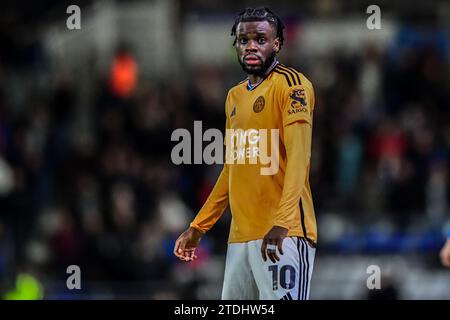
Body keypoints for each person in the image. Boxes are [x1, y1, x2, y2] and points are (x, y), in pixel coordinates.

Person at [174, 7, 317, 300]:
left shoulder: (292, 86)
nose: (251, 45)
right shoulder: (234, 97)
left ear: (276, 43)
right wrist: (198, 227)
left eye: (260, 39)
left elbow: (299, 158)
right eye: (243, 39)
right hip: (240, 239)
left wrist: (282, 222)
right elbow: (232, 168)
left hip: (283, 235)